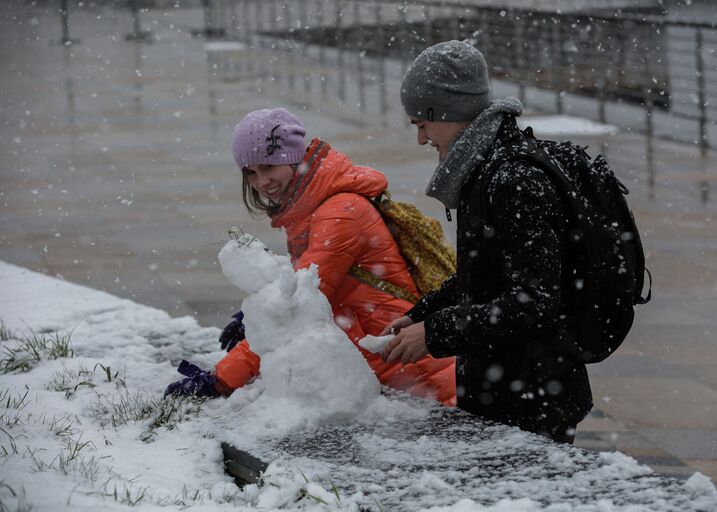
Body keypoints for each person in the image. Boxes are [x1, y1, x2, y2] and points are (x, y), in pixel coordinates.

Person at [167, 107, 456, 405]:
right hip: (393, 365)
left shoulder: (339, 215)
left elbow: (294, 314)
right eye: (251, 173)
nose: (261, 182)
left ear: (292, 158)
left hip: (418, 373)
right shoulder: (310, 209)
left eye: (268, 167)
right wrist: (253, 318)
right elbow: (305, 287)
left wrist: (221, 380)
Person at [381, 41, 593, 443]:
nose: (421, 140)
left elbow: (534, 301)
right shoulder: (484, 169)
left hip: (532, 397)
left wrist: (435, 333)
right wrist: (422, 314)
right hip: (508, 390)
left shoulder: (510, 179)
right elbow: (483, 275)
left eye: (421, 125)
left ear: (447, 113)